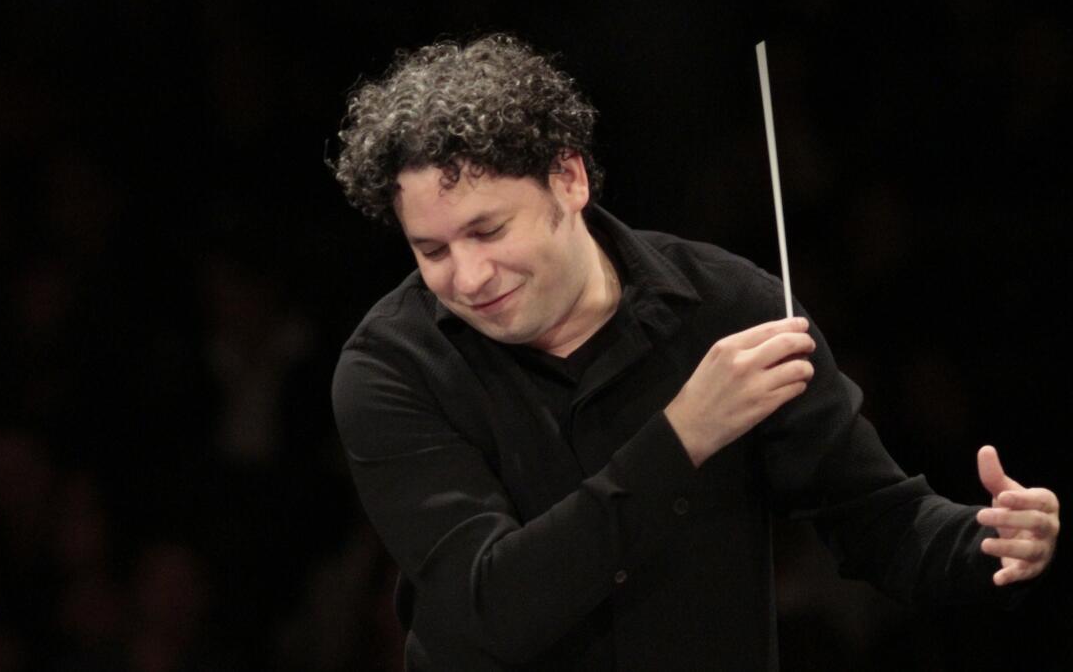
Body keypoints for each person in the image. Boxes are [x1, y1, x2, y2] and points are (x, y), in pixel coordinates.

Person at [329, 34, 1060, 670]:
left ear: (569, 178)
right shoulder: (391, 368)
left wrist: (988, 541)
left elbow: (876, 519)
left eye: (488, 231)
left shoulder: (729, 307)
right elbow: (494, 607)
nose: (467, 276)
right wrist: (683, 436)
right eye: (432, 249)